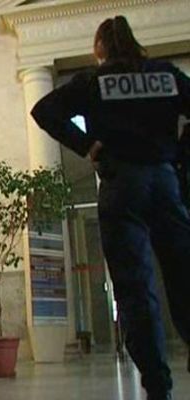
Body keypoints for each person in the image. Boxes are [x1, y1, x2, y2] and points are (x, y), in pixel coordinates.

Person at [31, 16, 190, 400]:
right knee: (185, 277)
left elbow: (44, 111)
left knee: (135, 289)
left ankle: (157, 386)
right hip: (166, 182)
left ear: (100, 48)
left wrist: (87, 145)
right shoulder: (165, 74)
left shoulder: (94, 81)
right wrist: (180, 155)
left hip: (121, 185)